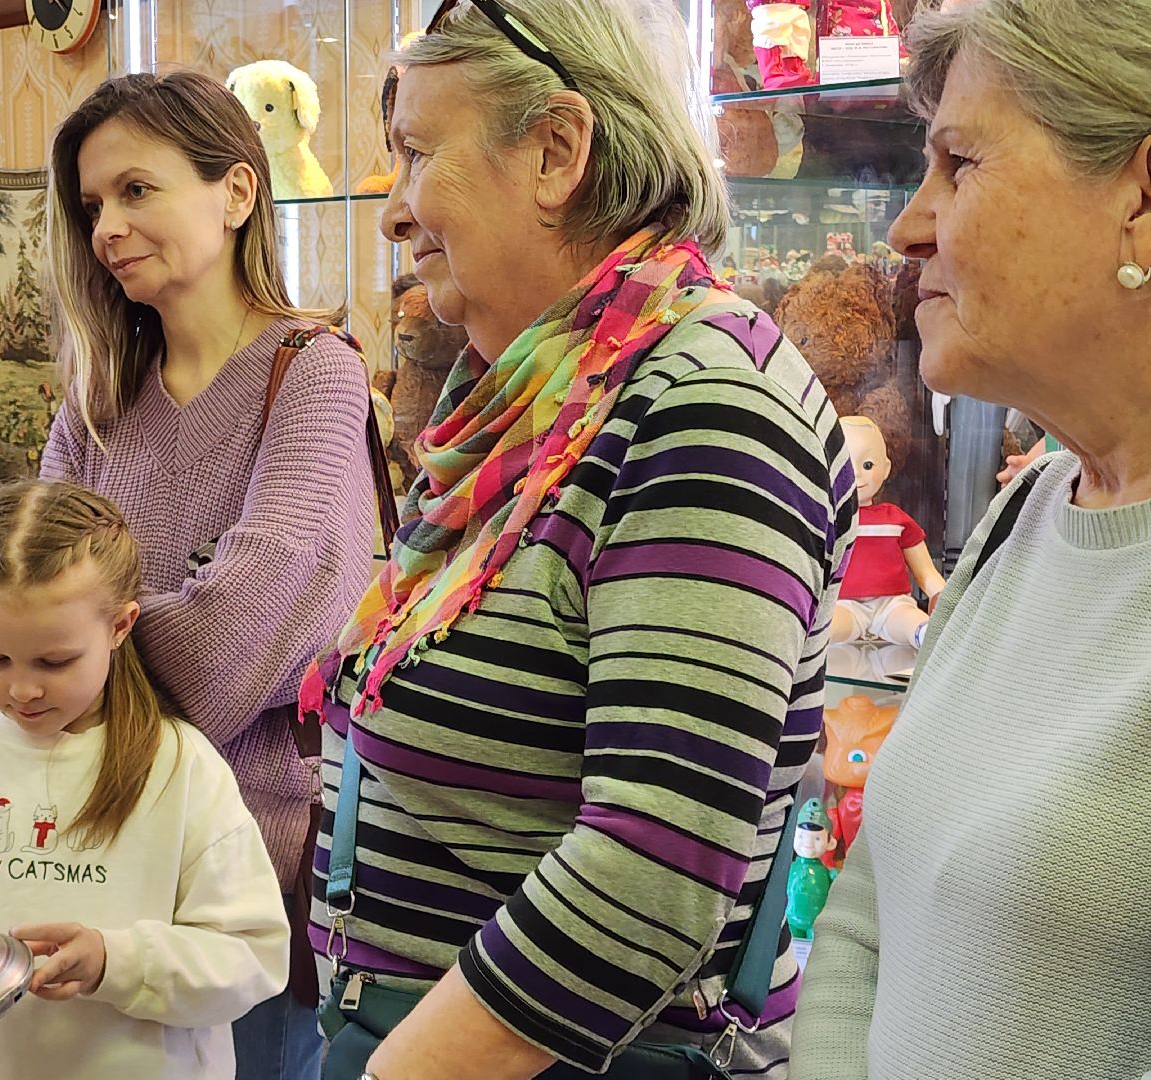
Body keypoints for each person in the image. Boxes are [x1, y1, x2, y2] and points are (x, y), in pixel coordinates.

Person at [298, 2, 856, 1077]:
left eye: (418, 152)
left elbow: (653, 866)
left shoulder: (704, 404)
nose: (391, 212)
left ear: (557, 149)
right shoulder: (541, 398)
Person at [789, 3, 1151, 1078]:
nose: (908, 226)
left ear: (1141, 199)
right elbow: (866, 917)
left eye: (958, 162)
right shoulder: (1025, 513)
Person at [39, 70, 378, 1080]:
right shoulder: (97, 395)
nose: (106, 225)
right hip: (97, 866)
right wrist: (101, 629)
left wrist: (87, 642)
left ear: (235, 194)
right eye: (93, 203)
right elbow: (24, 608)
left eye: (137, 190)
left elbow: (237, 641)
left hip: (254, 882)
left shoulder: (314, 371)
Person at [0, 480, 288, 1079]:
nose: (23, 689)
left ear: (120, 626)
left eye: (54, 661)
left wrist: (114, 961)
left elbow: (252, 957)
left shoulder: (180, 767)